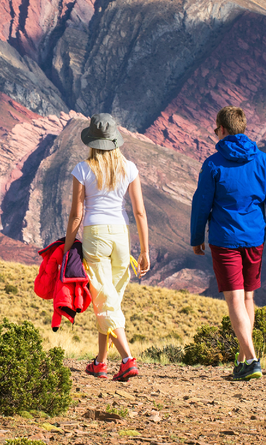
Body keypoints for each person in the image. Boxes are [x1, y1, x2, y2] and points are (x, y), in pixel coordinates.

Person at [190, 106, 266, 382]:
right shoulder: (264, 162)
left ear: (223, 129)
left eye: (215, 128)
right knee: (249, 297)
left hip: (225, 239)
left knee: (233, 299)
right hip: (255, 239)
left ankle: (251, 359)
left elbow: (201, 204)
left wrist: (196, 238)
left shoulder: (213, 164)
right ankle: (242, 360)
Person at [64, 113, 150, 382]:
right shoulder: (130, 168)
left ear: (92, 140)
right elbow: (139, 212)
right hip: (121, 237)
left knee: (104, 300)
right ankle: (100, 362)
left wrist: (67, 249)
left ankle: (127, 359)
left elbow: (76, 215)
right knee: (108, 299)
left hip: (95, 235)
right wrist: (144, 250)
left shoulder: (82, 169)